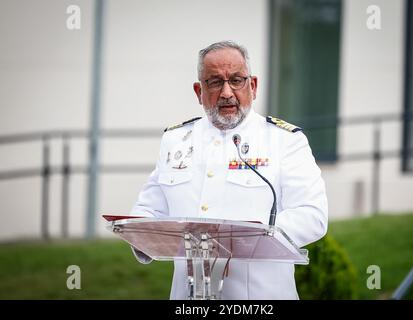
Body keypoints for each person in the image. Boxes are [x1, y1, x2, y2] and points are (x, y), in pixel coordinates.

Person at [130, 41, 328, 300]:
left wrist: (235, 242)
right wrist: (142, 235)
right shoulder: (176, 140)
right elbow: (148, 209)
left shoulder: (284, 140)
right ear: (198, 91)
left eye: (236, 80)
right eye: (214, 82)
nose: (226, 92)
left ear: (253, 86)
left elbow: (312, 215)